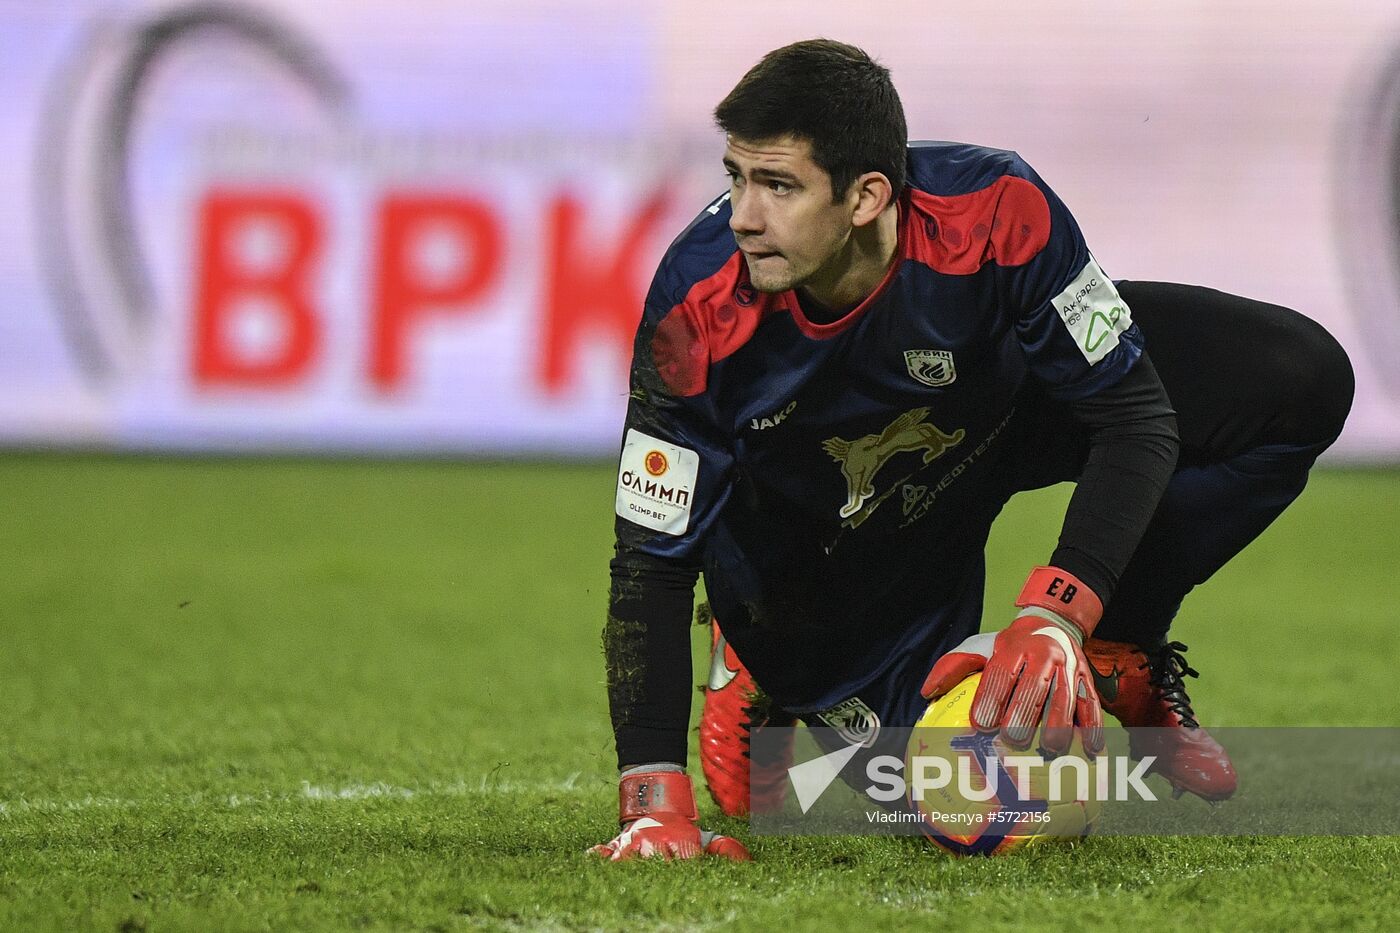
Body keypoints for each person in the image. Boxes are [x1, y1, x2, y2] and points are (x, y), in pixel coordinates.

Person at [590, 39, 1354, 861]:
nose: (742, 213)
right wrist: (653, 798)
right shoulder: (696, 306)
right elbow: (649, 562)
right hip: (837, 557)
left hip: (996, 414)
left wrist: (1060, 607)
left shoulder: (998, 209)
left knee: (1293, 380)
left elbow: (1133, 414)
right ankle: (755, 663)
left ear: (867, 196)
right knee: (993, 810)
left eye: (778, 185)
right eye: (737, 176)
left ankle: (1111, 652)